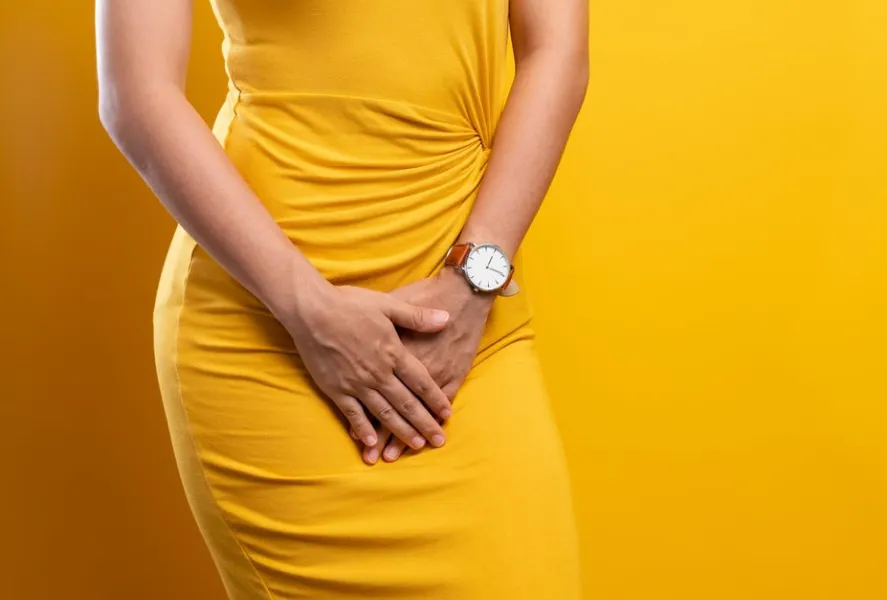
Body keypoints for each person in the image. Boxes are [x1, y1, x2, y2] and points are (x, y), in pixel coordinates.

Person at [97, 0, 589, 597]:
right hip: (274, 338)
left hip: (470, 329)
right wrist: (311, 312)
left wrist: (472, 283)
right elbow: (135, 94)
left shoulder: (471, 307)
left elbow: (556, 51)